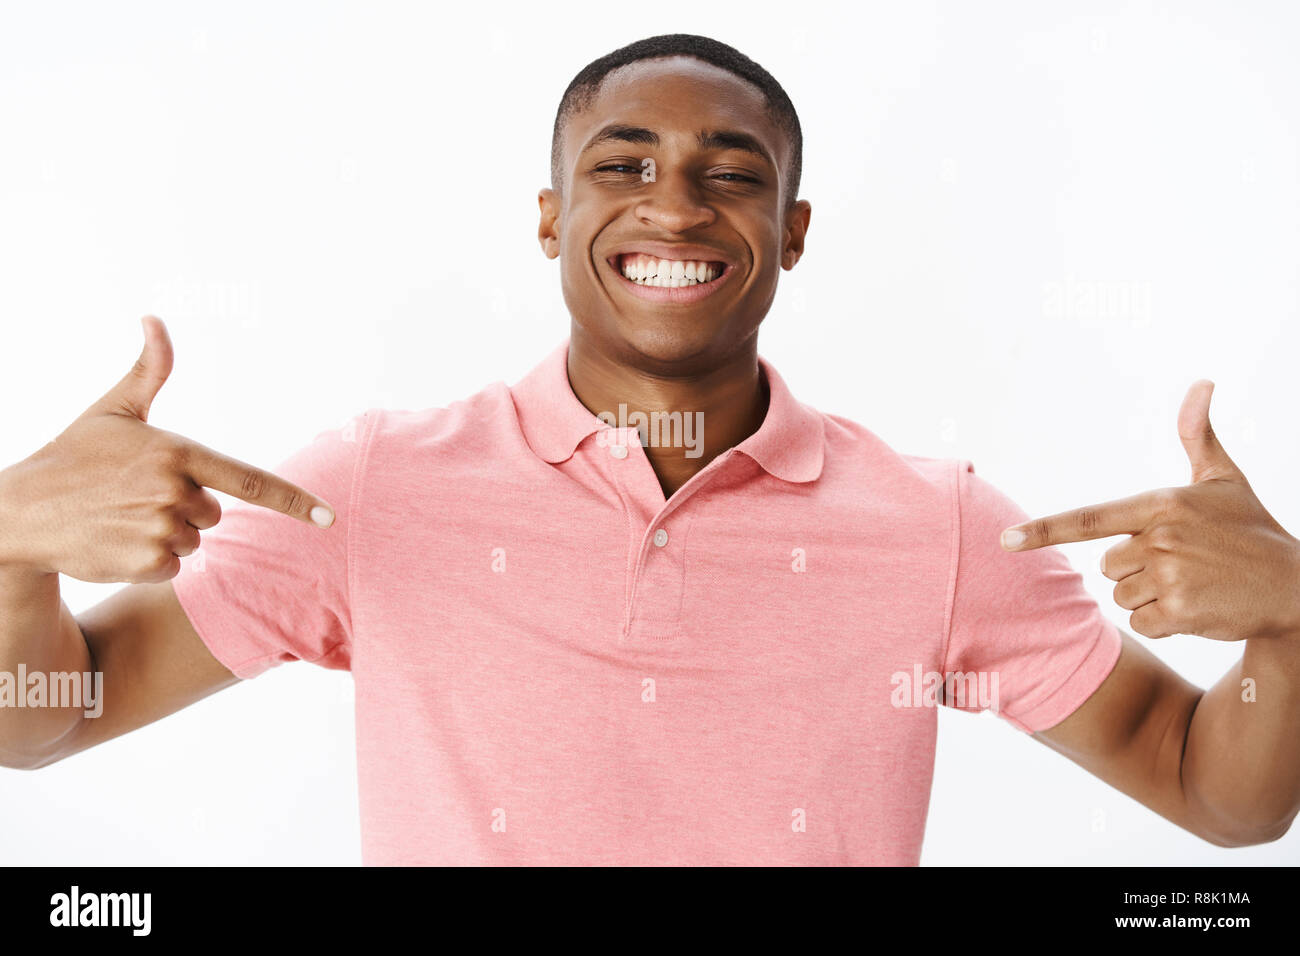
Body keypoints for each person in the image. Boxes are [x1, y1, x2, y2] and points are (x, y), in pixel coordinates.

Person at [1, 33, 1297, 865]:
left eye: (729, 174)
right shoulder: (373, 490)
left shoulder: (938, 526)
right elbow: (47, 723)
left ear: (791, 232)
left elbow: (1219, 794)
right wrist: (12, 547)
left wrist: (1290, 621)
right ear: (554, 217)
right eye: (625, 165)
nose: (674, 202)